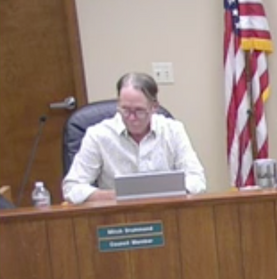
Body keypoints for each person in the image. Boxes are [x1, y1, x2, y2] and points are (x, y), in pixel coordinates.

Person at [62, 73, 207, 204]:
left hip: (166, 211)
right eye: (125, 110)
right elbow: (72, 188)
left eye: (139, 111)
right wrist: (116, 196)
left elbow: (197, 181)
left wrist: (162, 195)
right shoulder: (98, 135)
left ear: (154, 107)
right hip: (115, 218)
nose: (131, 118)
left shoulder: (173, 130)